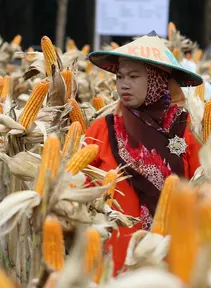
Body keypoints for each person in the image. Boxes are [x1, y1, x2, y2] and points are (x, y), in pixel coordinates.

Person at [85, 31, 202, 274]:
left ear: (157, 79)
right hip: (114, 260)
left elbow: (201, 188)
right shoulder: (103, 128)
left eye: (133, 76)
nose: (123, 84)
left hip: (169, 259)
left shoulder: (186, 130)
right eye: (119, 76)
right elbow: (79, 190)